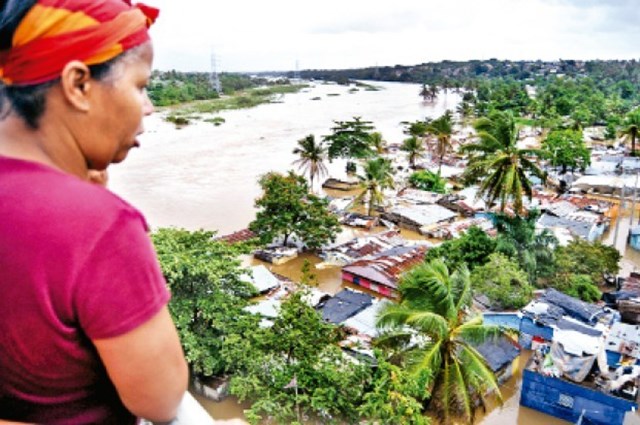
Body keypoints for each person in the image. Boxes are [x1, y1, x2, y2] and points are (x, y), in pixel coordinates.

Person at [0, 0, 190, 423]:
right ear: (78, 85)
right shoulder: (100, 226)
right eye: (140, 86)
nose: (149, 108)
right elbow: (161, 400)